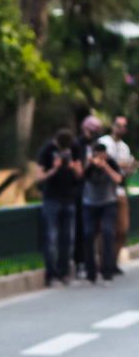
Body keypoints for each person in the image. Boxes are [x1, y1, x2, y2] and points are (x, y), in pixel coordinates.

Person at [37, 128, 83, 287]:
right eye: (62, 148)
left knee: (68, 239)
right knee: (51, 239)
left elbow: (80, 174)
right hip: (52, 199)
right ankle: (52, 275)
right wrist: (54, 169)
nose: (64, 151)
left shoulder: (74, 148)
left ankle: (64, 273)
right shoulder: (48, 149)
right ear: (56, 142)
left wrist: (72, 166)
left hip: (69, 199)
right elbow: (39, 176)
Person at [80, 141, 123, 285]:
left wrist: (105, 166)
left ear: (105, 154)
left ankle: (107, 273)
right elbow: (80, 178)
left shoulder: (110, 162)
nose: (98, 157)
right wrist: (87, 164)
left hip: (108, 203)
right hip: (89, 203)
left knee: (107, 233)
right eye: (95, 155)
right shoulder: (89, 163)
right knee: (88, 234)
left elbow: (118, 179)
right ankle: (91, 274)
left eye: (100, 155)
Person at [99, 115, 135, 268]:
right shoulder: (103, 142)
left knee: (123, 229)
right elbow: (100, 160)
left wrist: (131, 169)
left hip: (120, 192)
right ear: (113, 125)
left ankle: (112, 261)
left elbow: (124, 173)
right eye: (119, 125)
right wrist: (120, 164)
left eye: (124, 126)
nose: (121, 128)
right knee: (105, 230)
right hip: (104, 191)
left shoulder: (125, 147)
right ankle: (104, 264)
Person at [73, 116, 105, 278]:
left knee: (93, 230)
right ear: (83, 129)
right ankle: (80, 263)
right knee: (81, 230)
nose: (93, 135)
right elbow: (78, 172)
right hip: (78, 193)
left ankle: (91, 262)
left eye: (96, 133)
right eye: (91, 132)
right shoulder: (75, 145)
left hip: (94, 193)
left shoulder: (95, 146)